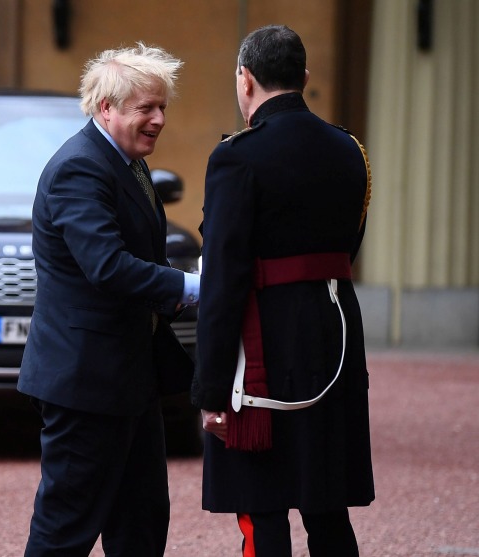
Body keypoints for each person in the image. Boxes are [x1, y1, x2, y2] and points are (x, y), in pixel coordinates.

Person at [193, 25, 375, 556]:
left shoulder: (236, 157)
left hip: (264, 347)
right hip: (334, 333)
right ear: (305, 79)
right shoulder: (350, 150)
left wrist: (209, 392)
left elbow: (223, 281)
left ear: (244, 80)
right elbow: (348, 249)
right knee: (327, 504)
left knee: (263, 503)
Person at [17, 43, 199, 556]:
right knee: (66, 530)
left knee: (141, 524)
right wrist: (193, 287)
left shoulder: (126, 161)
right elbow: (108, 267)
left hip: (127, 377)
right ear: (106, 108)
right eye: (146, 108)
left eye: (162, 107)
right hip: (85, 384)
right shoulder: (80, 167)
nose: (159, 119)